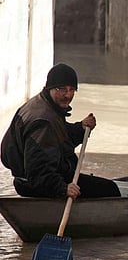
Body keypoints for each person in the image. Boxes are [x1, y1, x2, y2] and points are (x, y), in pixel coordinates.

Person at [1, 63, 120, 199]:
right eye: (62, 89)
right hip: (35, 184)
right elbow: (39, 171)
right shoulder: (43, 122)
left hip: (32, 179)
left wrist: (80, 127)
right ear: (51, 88)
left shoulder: (45, 104)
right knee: (109, 189)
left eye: (71, 90)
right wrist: (63, 189)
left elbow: (58, 137)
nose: (67, 95)